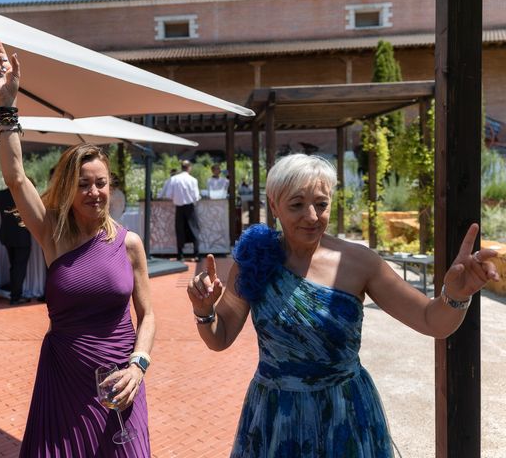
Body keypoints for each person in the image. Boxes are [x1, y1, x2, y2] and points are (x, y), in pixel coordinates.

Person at [187, 153, 499, 457]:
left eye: (321, 204)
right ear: (274, 205)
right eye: (297, 205)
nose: (312, 216)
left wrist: (456, 295)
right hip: (276, 417)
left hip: (345, 412)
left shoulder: (359, 262)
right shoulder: (254, 259)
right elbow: (220, 337)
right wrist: (204, 311)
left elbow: (432, 321)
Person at [0, 39, 155, 457]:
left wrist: (139, 364)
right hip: (63, 380)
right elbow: (16, 177)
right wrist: (7, 106)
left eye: (100, 182)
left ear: (110, 186)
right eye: (83, 184)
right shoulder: (51, 233)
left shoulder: (129, 243)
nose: (94, 191)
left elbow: (148, 314)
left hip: (120, 380)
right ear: (68, 187)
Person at [0, 187, 31, 305]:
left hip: (7, 235)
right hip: (21, 236)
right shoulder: (24, 193)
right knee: (19, 267)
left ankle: (14, 293)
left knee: (14, 266)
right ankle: (16, 296)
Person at [162, 160, 201, 261]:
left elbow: (168, 195)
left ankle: (180, 255)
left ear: (181, 167)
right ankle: (196, 254)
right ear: (189, 168)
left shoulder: (174, 179)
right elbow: (196, 197)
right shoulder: (193, 180)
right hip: (190, 207)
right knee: (194, 230)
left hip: (179, 208)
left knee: (180, 230)